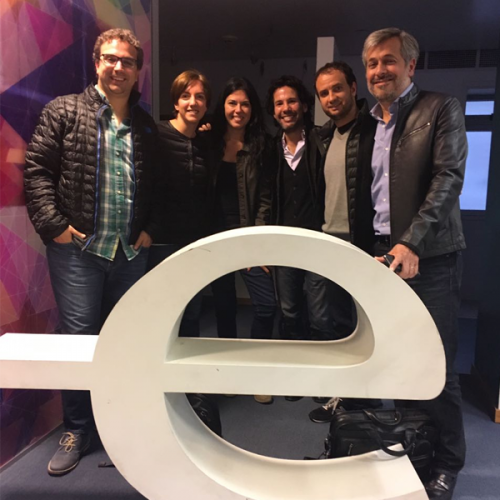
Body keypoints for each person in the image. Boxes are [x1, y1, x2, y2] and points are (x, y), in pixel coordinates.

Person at [24, 29, 158, 475]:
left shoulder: (145, 124)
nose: (119, 67)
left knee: (126, 339)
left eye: (128, 61)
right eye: (111, 59)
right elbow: (37, 171)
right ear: (97, 62)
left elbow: (158, 184)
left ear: (138, 71)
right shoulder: (63, 111)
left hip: (130, 252)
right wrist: (55, 228)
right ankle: (78, 429)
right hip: (78, 252)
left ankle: (118, 423)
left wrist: (150, 229)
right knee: (79, 342)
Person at [362, 28, 467, 499]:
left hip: (431, 257)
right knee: (399, 360)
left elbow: (448, 179)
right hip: (385, 258)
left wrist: (410, 243)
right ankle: (416, 448)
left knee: (436, 365)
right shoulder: (370, 123)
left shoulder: (440, 108)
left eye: (388, 60)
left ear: (410, 65)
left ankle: (448, 462)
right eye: (371, 63)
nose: (379, 70)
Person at [307, 61, 380, 423]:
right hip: (329, 242)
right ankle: (345, 397)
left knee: (369, 326)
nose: (331, 97)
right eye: (324, 93)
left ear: (353, 87)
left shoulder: (375, 131)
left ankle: (368, 401)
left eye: (337, 88)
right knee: (334, 324)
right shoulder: (322, 138)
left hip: (365, 244)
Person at [210, 77, 277, 403]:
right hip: (212, 239)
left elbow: (265, 198)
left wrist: (257, 244)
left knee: (266, 306)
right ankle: (230, 373)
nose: (238, 109)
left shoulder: (263, 145)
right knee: (224, 308)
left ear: (253, 109)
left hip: (248, 238)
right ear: (223, 106)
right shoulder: (207, 141)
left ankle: (257, 372)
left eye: (245, 103)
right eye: (232, 103)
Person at [265, 76, 334, 343]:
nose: (286, 108)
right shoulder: (270, 149)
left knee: (321, 317)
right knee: (289, 313)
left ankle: (323, 368)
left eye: (292, 101)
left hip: (319, 243)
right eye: (279, 103)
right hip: (283, 245)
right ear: (273, 112)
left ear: (304, 105)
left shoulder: (323, 142)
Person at [147, 69, 213, 337]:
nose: (193, 102)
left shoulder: (206, 143)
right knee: (161, 315)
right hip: (160, 243)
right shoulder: (155, 135)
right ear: (175, 103)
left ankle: (188, 365)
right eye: (186, 96)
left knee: (192, 313)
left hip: (195, 243)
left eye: (200, 97)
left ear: (206, 105)